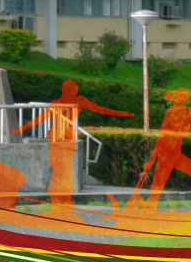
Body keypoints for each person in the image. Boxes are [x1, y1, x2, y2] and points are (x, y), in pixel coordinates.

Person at [16, 79, 131, 213]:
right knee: (59, 169)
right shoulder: (62, 102)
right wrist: (20, 129)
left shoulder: (73, 101)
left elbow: (99, 109)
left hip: (64, 138)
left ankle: (62, 198)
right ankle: (59, 198)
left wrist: (119, 113)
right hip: (56, 138)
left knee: (63, 169)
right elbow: (40, 118)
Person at [126, 88, 191, 213]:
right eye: (185, 96)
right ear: (178, 98)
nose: (186, 99)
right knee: (156, 190)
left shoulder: (185, 113)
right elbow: (161, 137)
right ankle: (145, 213)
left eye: (187, 96)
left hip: (175, 155)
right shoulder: (171, 113)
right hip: (166, 156)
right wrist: (151, 160)